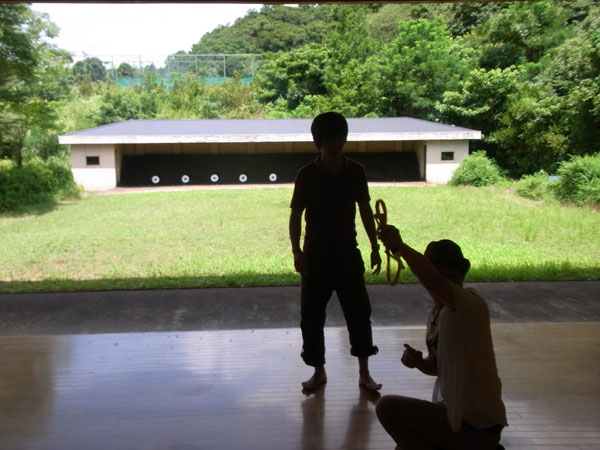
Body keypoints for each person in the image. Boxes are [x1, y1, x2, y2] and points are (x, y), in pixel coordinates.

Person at [376, 225, 507, 450]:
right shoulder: (436, 316)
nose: (447, 284)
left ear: (462, 278)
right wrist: (419, 362)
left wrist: (400, 247)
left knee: (387, 408)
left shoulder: (470, 304)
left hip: (477, 427)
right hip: (454, 418)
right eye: (442, 277)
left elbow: (435, 282)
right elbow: (437, 367)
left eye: (452, 277)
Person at [289, 111, 382, 392]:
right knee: (311, 318)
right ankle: (318, 372)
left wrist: (374, 246)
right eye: (329, 139)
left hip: (347, 254)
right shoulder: (306, 174)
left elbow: (365, 210)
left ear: (344, 139)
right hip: (315, 258)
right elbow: (295, 215)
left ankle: (364, 373)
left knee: (359, 314)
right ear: (319, 141)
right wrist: (296, 252)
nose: (335, 144)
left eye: (339, 138)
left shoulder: (356, 171)